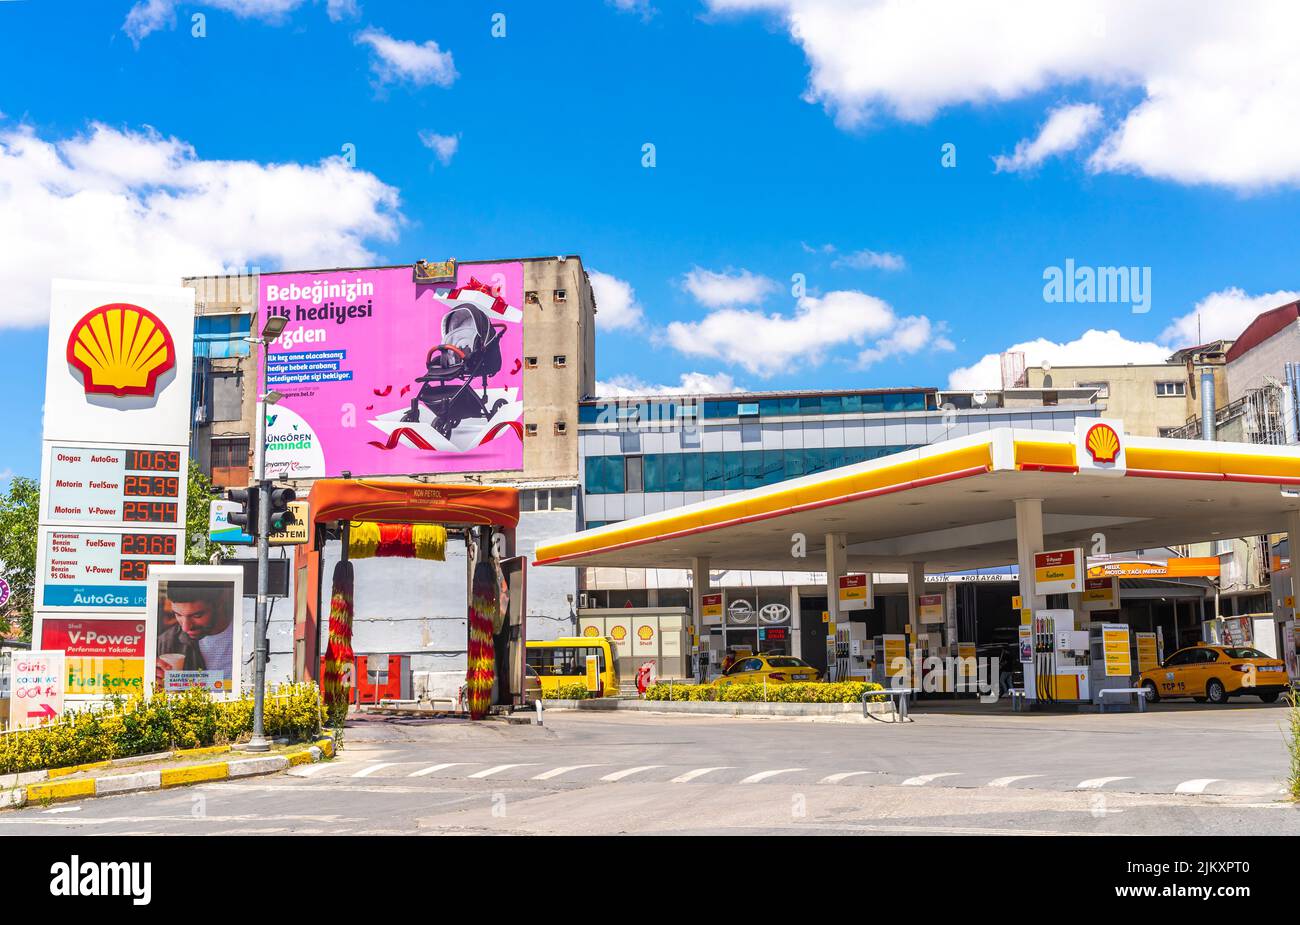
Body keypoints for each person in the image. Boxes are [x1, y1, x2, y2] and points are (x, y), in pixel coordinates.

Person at [156, 584, 234, 687]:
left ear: (219, 603)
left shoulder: (248, 634)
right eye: (178, 614)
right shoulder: (165, 643)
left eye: (197, 615)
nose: (185, 628)